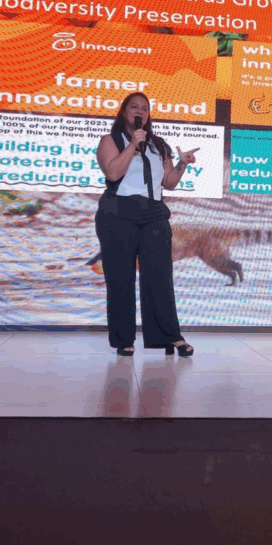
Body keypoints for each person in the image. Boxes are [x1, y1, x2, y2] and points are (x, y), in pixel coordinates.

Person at [95, 93, 199, 357]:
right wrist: (133, 144)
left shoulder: (158, 144)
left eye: (145, 108)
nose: (140, 111)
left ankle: (170, 337)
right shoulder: (110, 140)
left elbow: (169, 183)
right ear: (124, 112)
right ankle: (123, 339)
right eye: (134, 107)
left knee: (160, 277)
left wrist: (182, 164)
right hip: (117, 213)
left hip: (154, 214)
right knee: (120, 278)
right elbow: (113, 173)